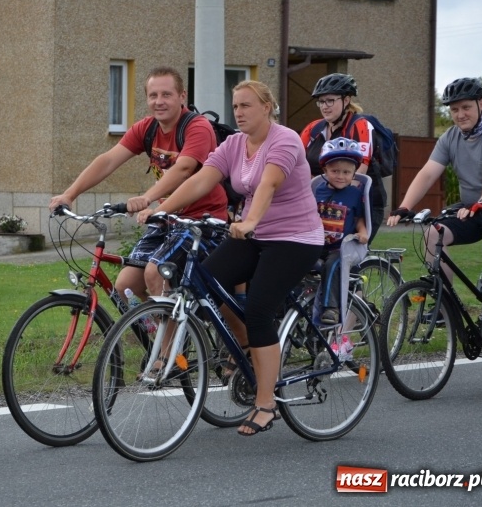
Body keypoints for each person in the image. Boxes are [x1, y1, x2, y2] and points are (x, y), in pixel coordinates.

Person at [139, 80, 323, 436]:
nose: (239, 112)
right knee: (204, 283)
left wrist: (251, 220)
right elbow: (202, 180)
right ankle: (239, 350)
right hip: (252, 235)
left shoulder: (284, 140)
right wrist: (160, 208)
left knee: (258, 310)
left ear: (266, 107)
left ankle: (266, 403)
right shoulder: (235, 144)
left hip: (295, 239)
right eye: (235, 106)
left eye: (246, 106)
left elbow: (269, 183)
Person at [49, 66, 228, 304]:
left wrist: (147, 198)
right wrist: (69, 194)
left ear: (182, 96)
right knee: (125, 287)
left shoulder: (197, 127)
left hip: (202, 222)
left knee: (155, 273)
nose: (159, 101)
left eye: (167, 94)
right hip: (166, 219)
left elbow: (184, 168)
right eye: (153, 95)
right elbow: (109, 160)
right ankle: (158, 336)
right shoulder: (147, 128)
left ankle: (169, 343)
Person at [387, 77, 482, 306]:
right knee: (433, 233)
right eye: (454, 109)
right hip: (471, 209)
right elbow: (428, 173)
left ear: (481, 104)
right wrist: (404, 207)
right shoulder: (450, 137)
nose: (460, 115)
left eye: (466, 107)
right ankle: (445, 306)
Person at [299, 73, 386, 243]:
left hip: (360, 203)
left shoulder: (361, 126)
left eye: (330, 100)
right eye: (321, 102)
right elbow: (298, 164)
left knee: (346, 255)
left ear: (346, 100)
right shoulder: (313, 129)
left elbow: (360, 172)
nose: (325, 106)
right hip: (323, 200)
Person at [315, 138, 369, 325]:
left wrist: (362, 232)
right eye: (335, 171)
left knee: (332, 264)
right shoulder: (317, 191)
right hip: (316, 243)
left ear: (354, 173)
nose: (340, 176)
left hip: (340, 248)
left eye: (346, 172)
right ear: (325, 170)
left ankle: (331, 308)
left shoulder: (354, 194)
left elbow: (358, 218)